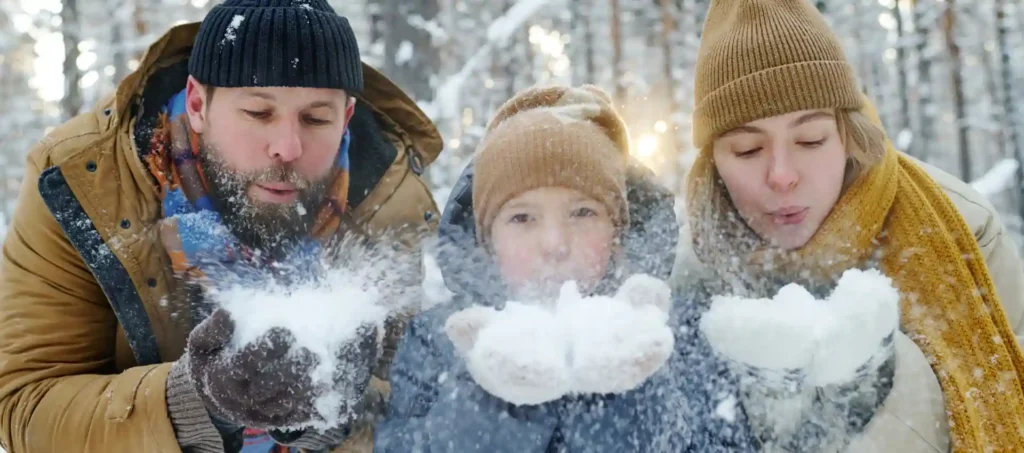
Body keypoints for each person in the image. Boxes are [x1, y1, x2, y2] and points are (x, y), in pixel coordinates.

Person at [0, 1, 443, 452]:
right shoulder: (82, 181)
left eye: (315, 119)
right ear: (197, 104)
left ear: (346, 117)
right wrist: (191, 400)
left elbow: (417, 414)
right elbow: (23, 405)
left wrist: (342, 412)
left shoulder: (387, 204)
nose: (287, 148)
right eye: (258, 113)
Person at [675, 0, 1024, 451]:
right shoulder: (689, 274)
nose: (781, 175)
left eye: (810, 140)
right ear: (713, 164)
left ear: (847, 137)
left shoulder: (960, 228)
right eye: (746, 149)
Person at [372, 85, 756, 452]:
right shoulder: (438, 339)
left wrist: (633, 388)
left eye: (582, 213)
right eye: (522, 218)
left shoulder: (675, 329)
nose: (554, 244)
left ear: (618, 232)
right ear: (487, 241)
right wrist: (495, 397)